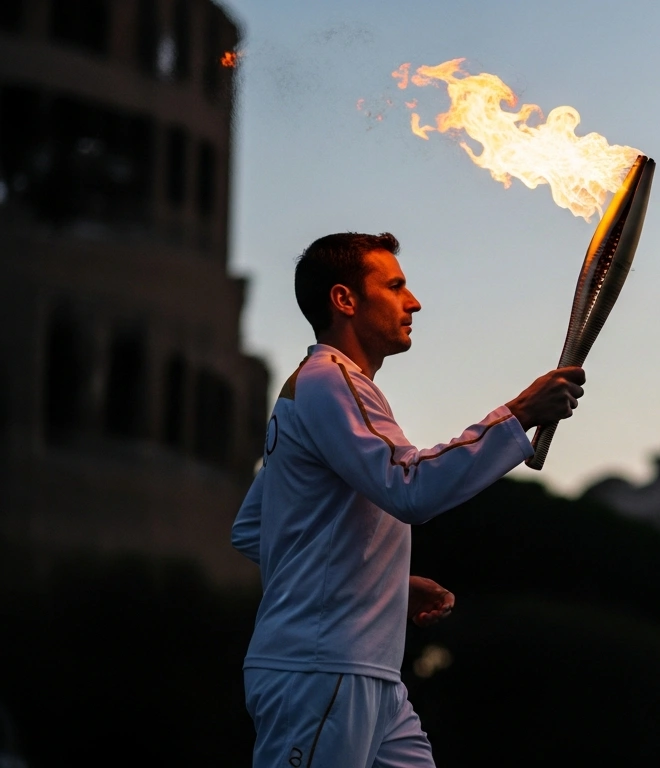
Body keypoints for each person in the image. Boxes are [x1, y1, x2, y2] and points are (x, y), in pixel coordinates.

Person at [230, 232, 583, 768]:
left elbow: (254, 528)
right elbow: (409, 487)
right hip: (321, 669)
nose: (412, 301)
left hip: (362, 670)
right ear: (345, 300)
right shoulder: (330, 381)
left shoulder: (317, 390)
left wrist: (386, 585)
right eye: (394, 286)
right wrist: (519, 415)